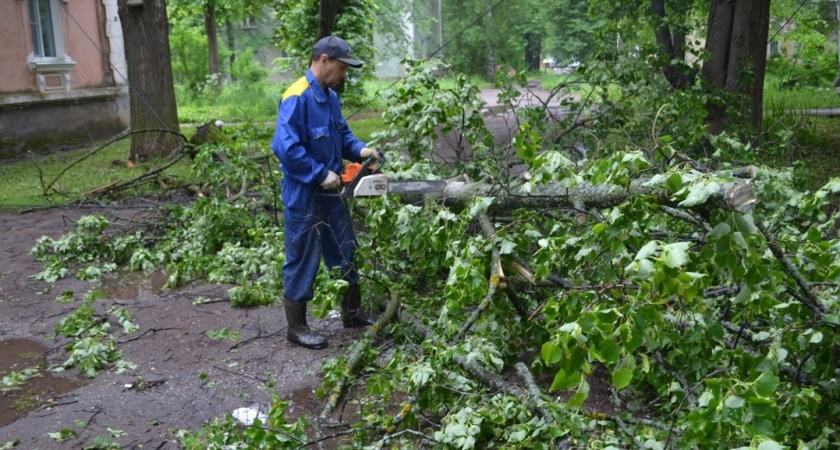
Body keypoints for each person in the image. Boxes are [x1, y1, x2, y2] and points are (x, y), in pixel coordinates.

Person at [270, 36, 379, 349]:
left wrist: (361, 151)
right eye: (342, 67)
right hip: (304, 193)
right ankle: (297, 327)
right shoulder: (296, 96)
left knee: (345, 248)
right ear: (324, 60)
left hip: (333, 193)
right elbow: (285, 148)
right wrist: (319, 174)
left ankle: (353, 312)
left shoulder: (330, 96)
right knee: (303, 257)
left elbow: (342, 135)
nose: (343, 74)